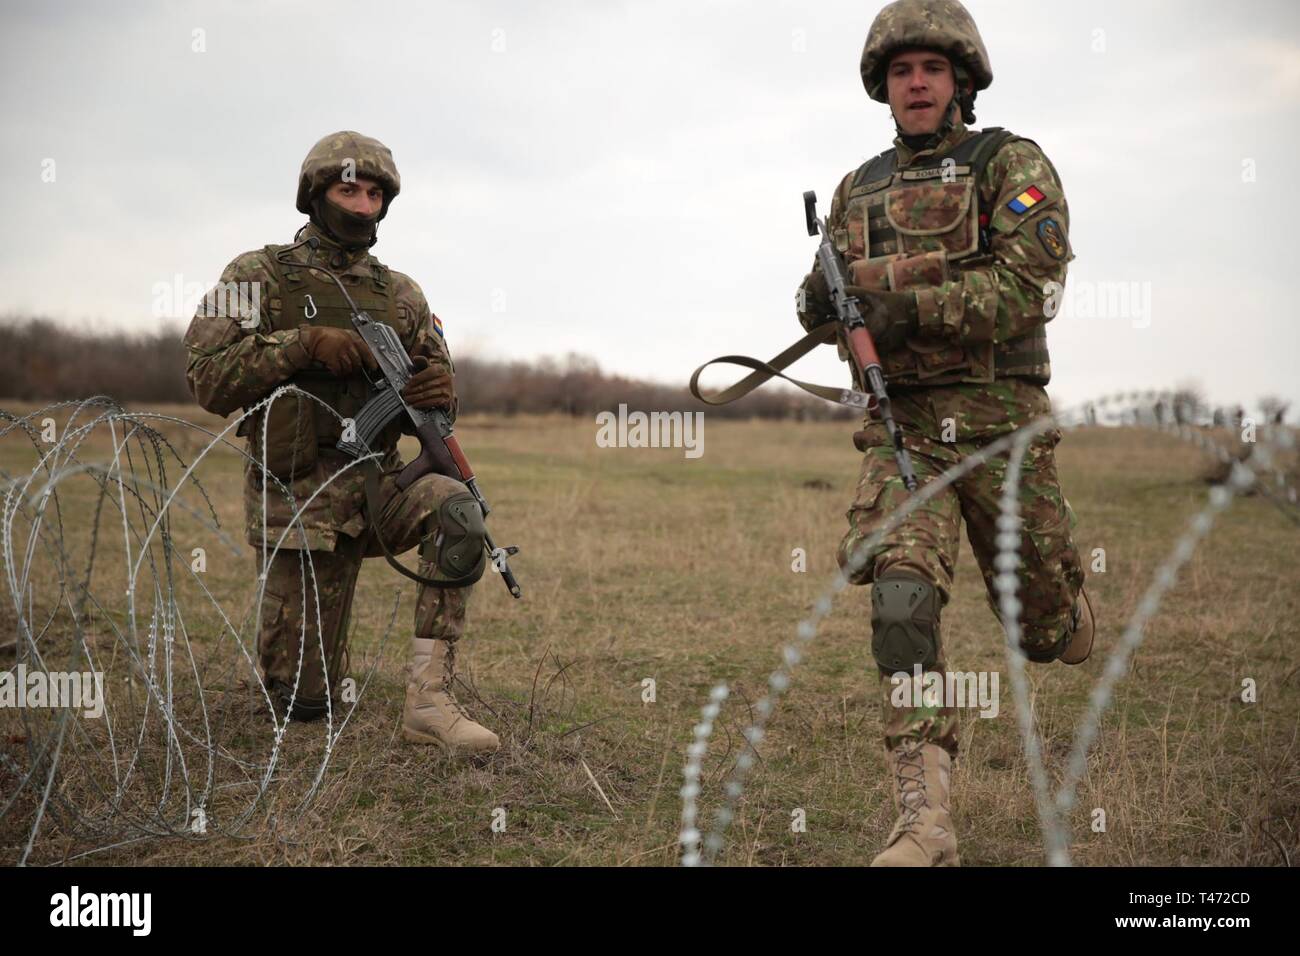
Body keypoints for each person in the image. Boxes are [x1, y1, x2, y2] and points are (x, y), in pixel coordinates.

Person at [797, 0, 1094, 865]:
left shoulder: (1011, 162)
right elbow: (831, 304)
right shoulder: (858, 189)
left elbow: (1031, 289)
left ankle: (1061, 604)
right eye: (900, 72)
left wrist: (908, 306)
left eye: (930, 68)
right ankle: (926, 824)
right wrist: (821, 308)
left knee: (1040, 634)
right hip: (907, 431)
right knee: (900, 598)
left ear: (960, 79)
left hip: (1002, 432)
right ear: (883, 88)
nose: (915, 83)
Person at [183, 130, 500, 756]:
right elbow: (206, 378)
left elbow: (435, 408)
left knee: (460, 511)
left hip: (383, 488)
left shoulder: (402, 293)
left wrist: (438, 391)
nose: (361, 204)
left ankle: (429, 702)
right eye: (347, 188)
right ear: (315, 193)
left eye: (375, 192)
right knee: (304, 704)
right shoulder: (257, 275)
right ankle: (304, 685)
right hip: (301, 500)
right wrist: (301, 346)